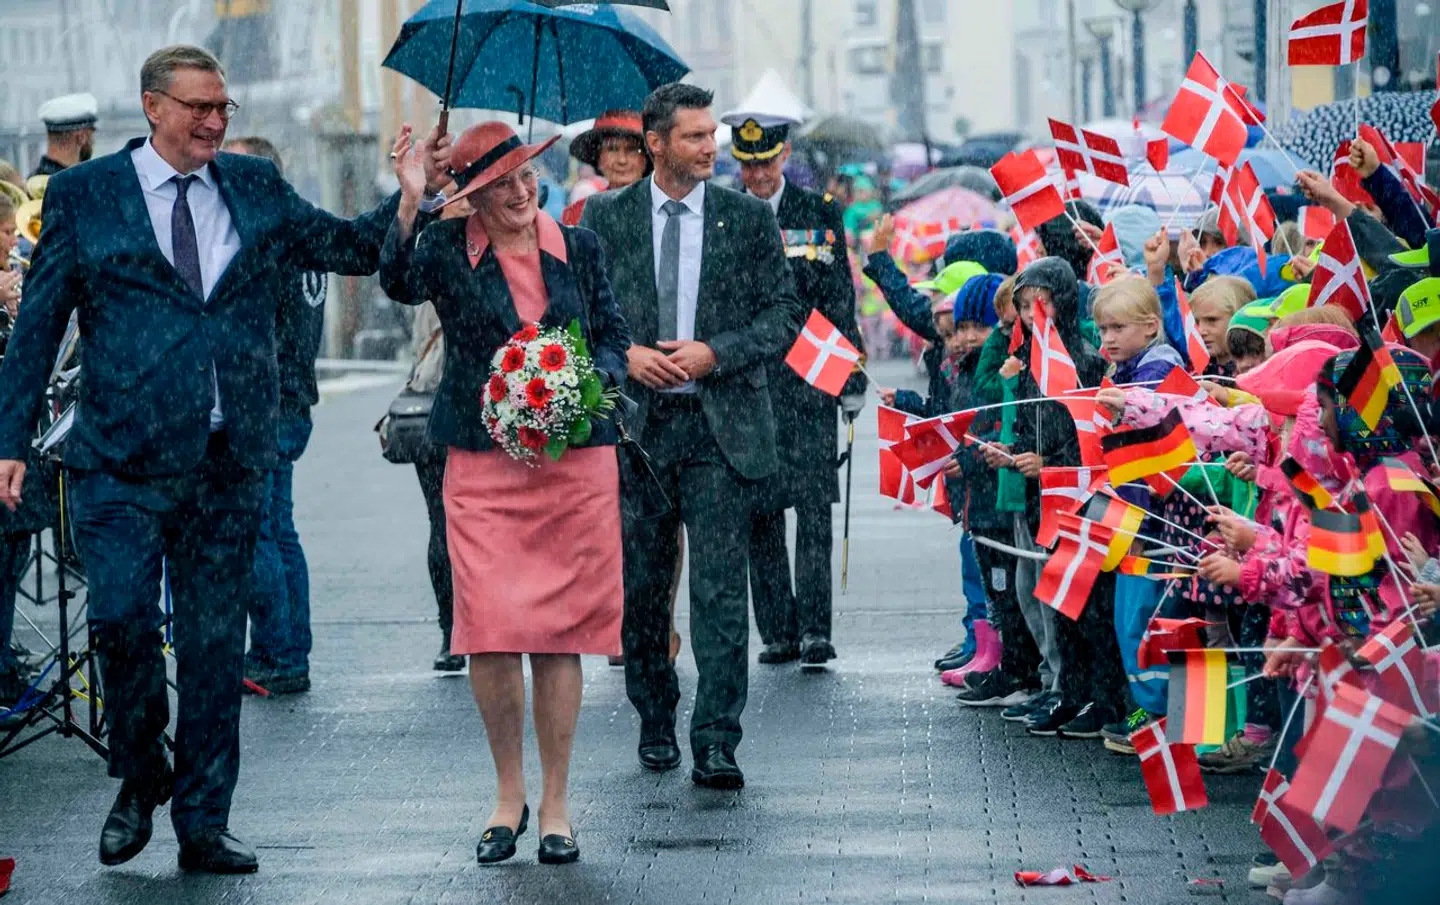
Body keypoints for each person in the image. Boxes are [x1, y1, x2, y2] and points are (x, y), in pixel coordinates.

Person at [0, 44, 412, 874]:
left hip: (227, 458)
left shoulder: (253, 188)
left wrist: (408, 201)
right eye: (200, 108)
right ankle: (143, 765)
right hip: (118, 456)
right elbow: (39, 323)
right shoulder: (87, 196)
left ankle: (203, 819)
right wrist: (9, 441)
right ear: (153, 107)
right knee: (118, 619)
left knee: (215, 644)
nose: (217, 122)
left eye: (224, 108)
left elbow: (348, 248)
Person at [381, 120, 631, 864]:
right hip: (484, 464)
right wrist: (412, 202)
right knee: (488, 629)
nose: (521, 192)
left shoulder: (579, 245)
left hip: (573, 463)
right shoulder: (445, 252)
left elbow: (615, 337)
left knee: (559, 633)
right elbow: (393, 280)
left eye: (527, 177)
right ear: (474, 195)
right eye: (500, 183)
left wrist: (581, 384)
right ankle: (507, 793)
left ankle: (556, 802)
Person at [580, 83, 802, 789]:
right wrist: (627, 356)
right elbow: (581, 316)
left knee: (717, 589)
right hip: (638, 430)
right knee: (644, 588)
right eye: (697, 136)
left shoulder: (746, 217)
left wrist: (716, 351)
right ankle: (655, 716)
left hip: (718, 425)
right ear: (656, 144)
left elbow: (781, 315)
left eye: (713, 134)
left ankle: (716, 737)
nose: (714, 146)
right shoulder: (602, 217)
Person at [720, 106, 866, 668]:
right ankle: (777, 630)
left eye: (766, 162)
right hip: (749, 381)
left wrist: (848, 374)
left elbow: (838, 298)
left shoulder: (818, 212)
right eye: (747, 164)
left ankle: (815, 631)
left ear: (784, 156)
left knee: (813, 508)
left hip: (809, 380)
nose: (757, 175)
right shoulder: (724, 215)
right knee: (760, 511)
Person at [221, 136, 327, 696]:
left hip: (269, 401)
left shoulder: (269, 235)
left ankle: (275, 653)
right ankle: (290, 648)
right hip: (295, 395)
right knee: (279, 527)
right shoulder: (302, 234)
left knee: (260, 529)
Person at [561, 110, 650, 226]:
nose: (622, 160)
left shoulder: (666, 210)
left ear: (645, 159)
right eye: (612, 149)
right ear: (598, 159)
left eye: (632, 149)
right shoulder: (578, 214)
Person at [31, 93, 98, 178]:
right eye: (91, 135)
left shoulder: (32, 184)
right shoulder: (81, 184)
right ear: (81, 137)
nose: (93, 142)